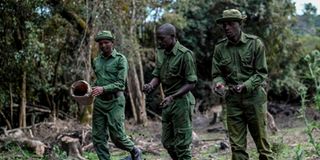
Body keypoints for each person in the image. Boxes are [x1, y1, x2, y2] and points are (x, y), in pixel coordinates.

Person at [212, 9, 274, 160]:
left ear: (240, 24)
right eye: (224, 25)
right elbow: (217, 74)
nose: (227, 28)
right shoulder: (220, 48)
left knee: (263, 145)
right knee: (237, 148)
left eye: (231, 24)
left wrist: (245, 85)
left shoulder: (255, 44)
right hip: (233, 101)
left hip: (255, 99)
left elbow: (261, 73)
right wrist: (219, 83)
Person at [143, 23, 197, 160]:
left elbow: (191, 83)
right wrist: (150, 85)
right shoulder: (161, 53)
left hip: (182, 102)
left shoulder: (185, 55)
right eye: (158, 39)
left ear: (172, 37)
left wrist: (173, 97)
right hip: (168, 102)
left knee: (182, 145)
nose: (160, 42)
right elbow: (158, 75)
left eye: (162, 38)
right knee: (167, 142)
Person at [91, 30, 142, 160]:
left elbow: (121, 84)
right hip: (99, 102)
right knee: (98, 137)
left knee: (117, 137)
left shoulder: (120, 59)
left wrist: (103, 88)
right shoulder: (96, 61)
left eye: (106, 42)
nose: (103, 46)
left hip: (115, 102)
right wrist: (91, 89)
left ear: (112, 43)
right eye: (100, 43)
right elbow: (99, 80)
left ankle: (135, 151)